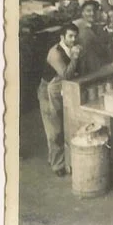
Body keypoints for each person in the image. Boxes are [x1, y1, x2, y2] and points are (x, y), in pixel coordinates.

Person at [39, 24, 81, 176]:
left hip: (61, 89)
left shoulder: (73, 48)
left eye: (75, 36)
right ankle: (57, 165)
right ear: (62, 37)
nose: (73, 39)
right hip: (47, 92)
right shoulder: (55, 53)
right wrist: (75, 58)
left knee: (64, 125)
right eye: (70, 36)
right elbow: (66, 74)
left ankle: (56, 159)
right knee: (54, 130)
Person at [73, 0, 111, 75]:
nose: (92, 13)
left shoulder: (97, 27)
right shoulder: (75, 26)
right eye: (88, 11)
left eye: (94, 11)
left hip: (95, 65)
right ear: (82, 12)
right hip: (82, 68)